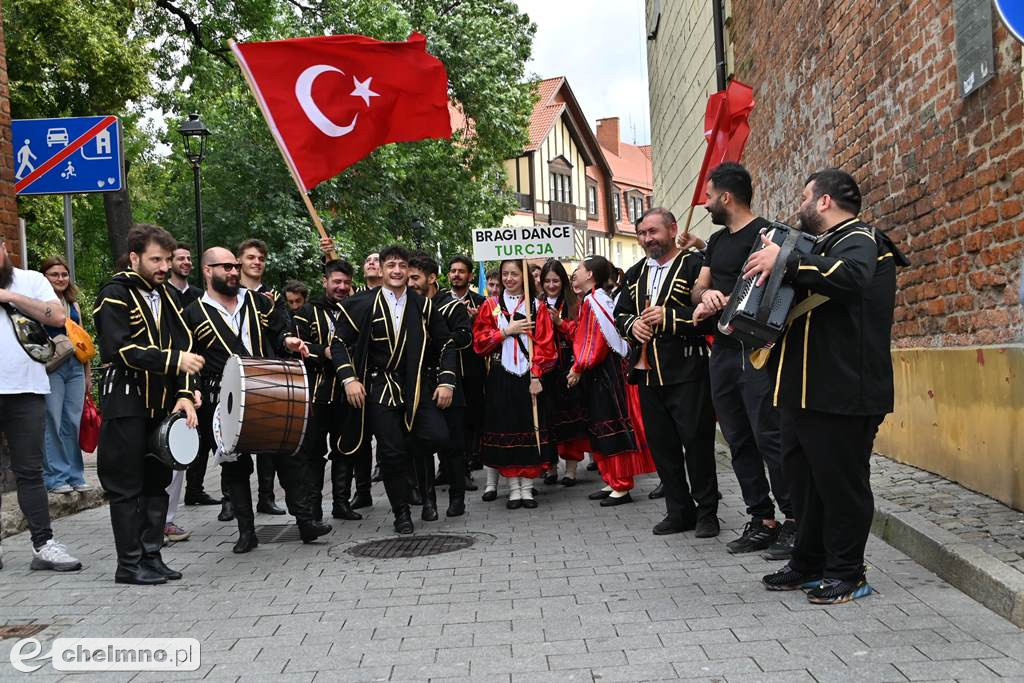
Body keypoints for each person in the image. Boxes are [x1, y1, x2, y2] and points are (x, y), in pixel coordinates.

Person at [749, 169, 905, 604]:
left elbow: (851, 277)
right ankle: (807, 563)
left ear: (823, 202)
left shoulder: (861, 238)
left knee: (841, 486)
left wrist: (784, 261)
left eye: (804, 197)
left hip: (844, 392)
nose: (799, 205)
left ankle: (848, 573)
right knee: (806, 486)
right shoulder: (821, 247)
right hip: (804, 391)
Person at [184, 246, 332, 553]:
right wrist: (191, 389)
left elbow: (280, 332)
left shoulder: (256, 302)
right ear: (208, 271)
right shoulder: (193, 312)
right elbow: (189, 358)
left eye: (235, 266)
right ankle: (246, 532)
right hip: (221, 395)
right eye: (226, 267)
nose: (234, 271)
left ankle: (305, 522)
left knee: (288, 454)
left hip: (265, 387)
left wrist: (289, 341)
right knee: (235, 465)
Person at [690, 162, 793, 560]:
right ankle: (761, 518)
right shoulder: (715, 243)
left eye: (710, 195)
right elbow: (699, 287)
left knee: (769, 435)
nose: (706, 203)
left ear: (726, 197)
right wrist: (707, 297)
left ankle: (795, 519)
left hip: (757, 352)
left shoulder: (770, 235)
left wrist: (727, 298)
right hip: (723, 352)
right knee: (737, 437)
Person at [94, 223, 200, 584]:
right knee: (126, 485)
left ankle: (152, 557)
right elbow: (117, 348)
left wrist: (185, 393)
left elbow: (187, 347)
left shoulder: (168, 296)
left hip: (161, 404)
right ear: (135, 256)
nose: (164, 266)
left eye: (168, 259)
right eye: (156, 259)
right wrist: (174, 362)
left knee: (158, 481)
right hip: (126, 400)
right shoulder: (114, 293)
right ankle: (128, 564)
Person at [331, 245, 456, 534]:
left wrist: (446, 381)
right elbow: (338, 344)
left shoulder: (423, 305)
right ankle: (401, 512)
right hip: (379, 387)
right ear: (382, 269)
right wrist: (350, 379)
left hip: (417, 386)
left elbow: (447, 344)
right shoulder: (362, 304)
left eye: (402, 265)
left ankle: (424, 491)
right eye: (391, 265)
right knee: (390, 453)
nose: (397, 271)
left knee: (437, 435)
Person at [614, 207, 720, 538]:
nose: (648, 239)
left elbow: (710, 315)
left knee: (697, 443)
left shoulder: (694, 266)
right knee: (663, 446)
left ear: (672, 230)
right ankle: (678, 511)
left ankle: (707, 513)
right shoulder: (632, 274)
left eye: (653, 231)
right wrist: (634, 327)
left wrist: (669, 318)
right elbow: (620, 314)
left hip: (688, 369)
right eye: (643, 233)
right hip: (648, 375)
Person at [0, 239, 83, 572]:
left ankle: (43, 545)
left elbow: (58, 315)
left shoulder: (31, 280)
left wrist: (9, 298)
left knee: (30, 471)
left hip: (27, 389)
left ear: (5, 248)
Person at [567, 256, 656, 505]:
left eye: (579, 270)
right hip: (600, 373)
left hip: (606, 374)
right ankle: (611, 480)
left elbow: (593, 341)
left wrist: (578, 366)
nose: (575, 274)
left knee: (611, 425)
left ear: (591, 275)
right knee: (600, 426)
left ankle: (621, 484)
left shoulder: (595, 301)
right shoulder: (592, 299)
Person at [473, 259, 558, 509]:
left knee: (529, 429)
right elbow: (479, 342)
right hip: (501, 375)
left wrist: (536, 375)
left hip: (527, 376)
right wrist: (504, 332)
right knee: (506, 429)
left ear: (525, 277)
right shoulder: (490, 306)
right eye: (505, 274)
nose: (509, 279)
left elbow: (546, 345)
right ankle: (513, 490)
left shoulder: (537, 307)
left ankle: (528, 489)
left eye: (514, 274)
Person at [293, 259, 361, 521]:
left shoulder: (356, 310)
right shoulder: (307, 312)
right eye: (337, 282)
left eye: (346, 282)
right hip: (317, 393)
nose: (342, 287)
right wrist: (324, 352)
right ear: (325, 282)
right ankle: (313, 508)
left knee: (345, 449)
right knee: (313, 452)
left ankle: (341, 503)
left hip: (349, 393)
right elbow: (297, 346)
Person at [408, 253, 474, 517]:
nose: (410, 282)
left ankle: (457, 498)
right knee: (421, 443)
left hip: (449, 381)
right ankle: (428, 501)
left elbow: (464, 338)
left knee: (454, 444)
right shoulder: (407, 306)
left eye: (415, 277)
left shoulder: (451, 306)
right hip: (419, 384)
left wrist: (435, 336)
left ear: (431, 278)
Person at [166, 242, 216, 527]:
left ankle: (194, 491)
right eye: (179, 258)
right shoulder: (165, 295)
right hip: (173, 374)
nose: (184, 262)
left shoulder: (198, 297)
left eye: (188, 258)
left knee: (201, 439)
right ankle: (161, 518)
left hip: (198, 375)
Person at [236, 238, 287, 516]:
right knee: (234, 439)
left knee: (267, 437)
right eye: (251, 257)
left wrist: (272, 313)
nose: (257, 263)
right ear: (239, 260)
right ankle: (232, 499)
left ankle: (266, 496)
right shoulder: (230, 291)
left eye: (261, 259)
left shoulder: (272, 296)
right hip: (237, 371)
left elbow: (282, 331)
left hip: (266, 370)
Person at [39, 257, 91, 494]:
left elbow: (83, 340)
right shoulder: (38, 302)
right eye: (54, 274)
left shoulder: (73, 304)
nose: (60, 278)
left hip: (75, 367)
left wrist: (88, 374)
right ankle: (55, 477)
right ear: (44, 277)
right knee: (53, 420)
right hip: (51, 368)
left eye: (64, 274)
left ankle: (75, 475)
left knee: (72, 421)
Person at [539, 259, 587, 485]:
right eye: (547, 281)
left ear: (563, 281)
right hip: (545, 368)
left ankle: (571, 469)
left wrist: (559, 322)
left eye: (555, 280)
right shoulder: (535, 302)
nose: (551, 285)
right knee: (547, 418)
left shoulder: (573, 303)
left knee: (571, 417)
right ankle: (549, 467)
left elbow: (580, 335)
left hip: (567, 365)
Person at [444, 255, 486, 478]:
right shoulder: (440, 301)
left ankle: (470, 460)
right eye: (453, 271)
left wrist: (478, 320)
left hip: (472, 367)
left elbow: (493, 330)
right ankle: (446, 466)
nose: (456, 275)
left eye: (461, 271)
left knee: (472, 413)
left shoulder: (482, 302)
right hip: (447, 368)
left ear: (470, 276)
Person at [168, 242, 202, 308]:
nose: (187, 262)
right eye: (181, 259)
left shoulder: (199, 295)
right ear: (169, 263)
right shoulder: (161, 293)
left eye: (189, 259)